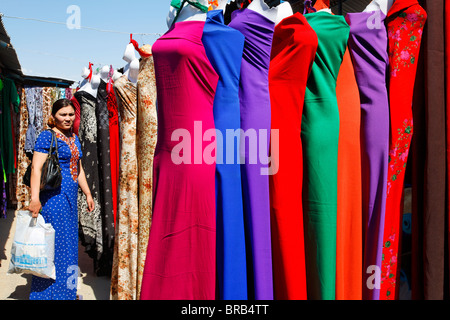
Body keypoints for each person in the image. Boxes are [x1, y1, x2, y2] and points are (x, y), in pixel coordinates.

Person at [27, 98, 94, 300]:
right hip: (54, 199)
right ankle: (47, 295)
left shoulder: (74, 137)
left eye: (71, 114)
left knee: (71, 248)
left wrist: (88, 193)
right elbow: (36, 169)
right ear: (54, 116)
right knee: (53, 248)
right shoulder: (47, 137)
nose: (67, 118)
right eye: (62, 115)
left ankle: (67, 292)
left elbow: (78, 168)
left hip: (70, 199)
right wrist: (34, 199)